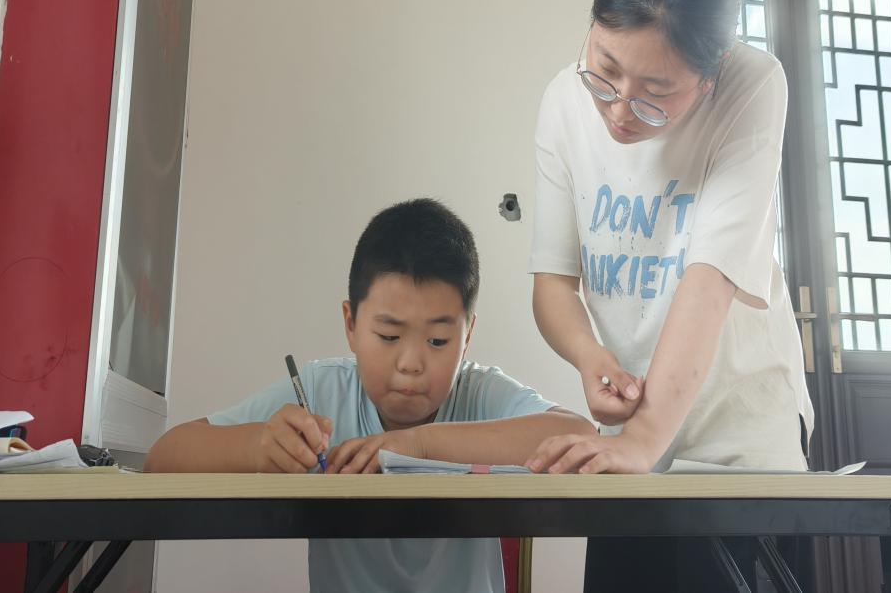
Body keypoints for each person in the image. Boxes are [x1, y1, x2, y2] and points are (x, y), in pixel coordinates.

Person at [521, 0, 815, 591]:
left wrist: (643, 440)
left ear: (708, 79)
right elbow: (553, 283)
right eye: (605, 70)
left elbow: (708, 280)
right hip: (629, 447)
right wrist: (591, 358)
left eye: (656, 94)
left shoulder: (752, 84)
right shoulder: (563, 101)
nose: (619, 110)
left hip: (738, 447)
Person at [146, 198, 594, 593]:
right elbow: (163, 456)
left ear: (467, 336)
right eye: (389, 336)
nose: (411, 363)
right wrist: (256, 446)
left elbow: (580, 434)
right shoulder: (322, 391)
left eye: (438, 341)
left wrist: (417, 447)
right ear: (351, 324)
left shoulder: (478, 394)